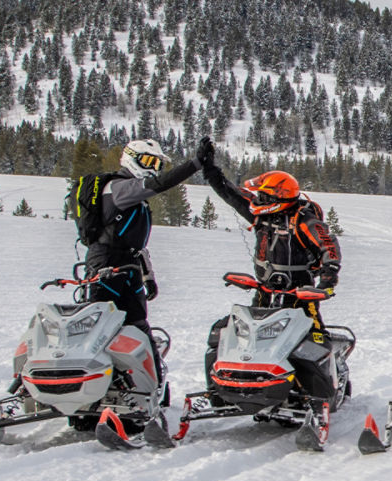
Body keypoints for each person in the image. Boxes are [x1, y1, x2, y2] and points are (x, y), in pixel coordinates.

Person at [197, 155, 343, 400]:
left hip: (299, 294)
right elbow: (231, 194)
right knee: (231, 334)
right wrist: (211, 171)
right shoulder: (260, 214)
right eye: (260, 196)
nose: (258, 200)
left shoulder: (303, 219)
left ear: (279, 197)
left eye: (264, 197)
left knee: (312, 340)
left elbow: (328, 245)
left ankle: (324, 392)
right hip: (265, 292)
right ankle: (224, 389)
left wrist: (328, 278)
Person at [76, 137, 205, 384]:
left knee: (137, 326)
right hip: (106, 264)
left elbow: (137, 244)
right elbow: (159, 184)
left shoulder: (134, 196)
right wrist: (195, 164)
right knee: (100, 327)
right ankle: (95, 386)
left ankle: (146, 386)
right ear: (131, 158)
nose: (153, 168)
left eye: (157, 163)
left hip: (129, 266)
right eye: (148, 161)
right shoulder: (118, 187)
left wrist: (148, 275)